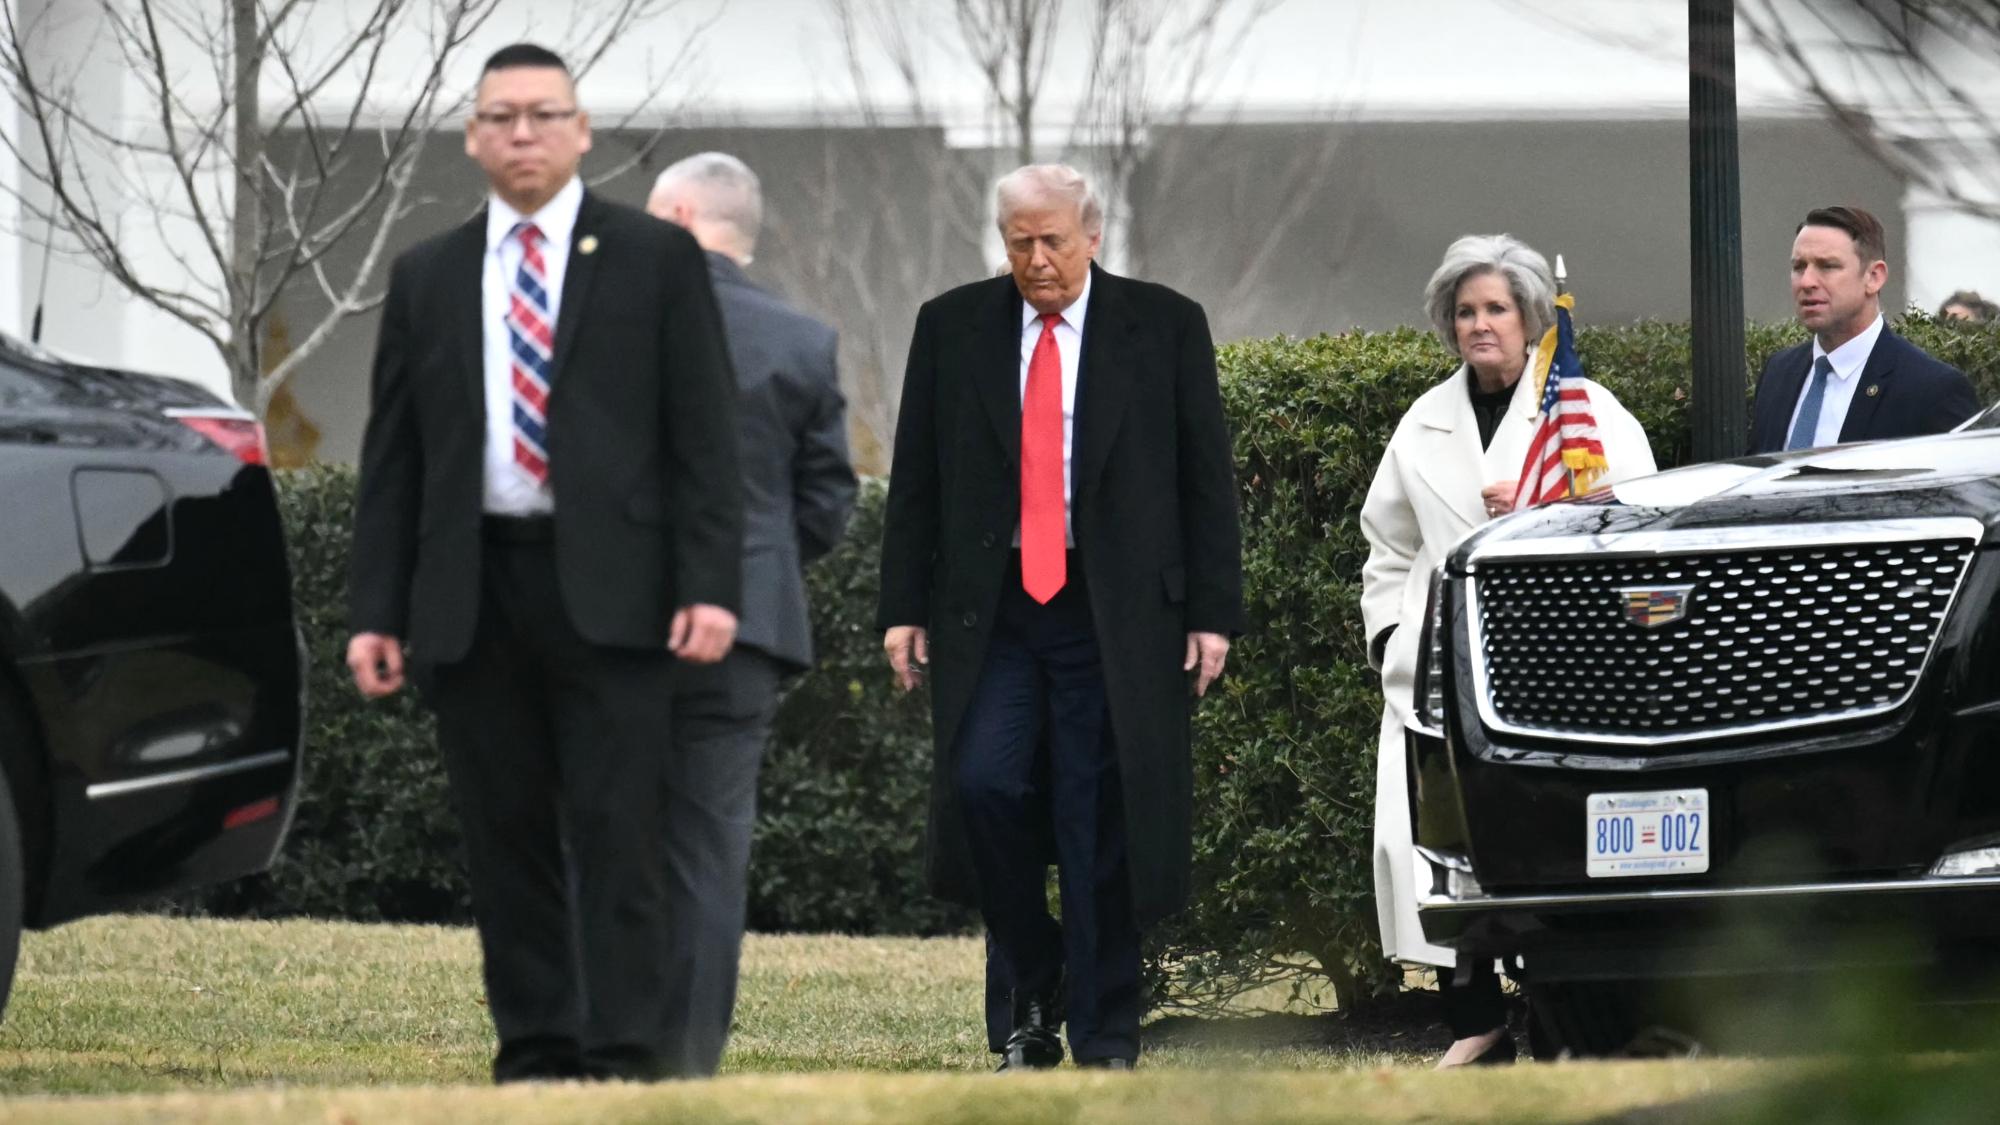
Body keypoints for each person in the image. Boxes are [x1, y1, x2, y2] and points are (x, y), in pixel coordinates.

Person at [346, 43, 744, 1083]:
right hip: (473, 594)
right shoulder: (426, 274)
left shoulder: (654, 262)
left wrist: (709, 586)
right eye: (501, 116)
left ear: (580, 132)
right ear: (473, 136)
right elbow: (393, 460)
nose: (522, 133)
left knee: (621, 835)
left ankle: (623, 1051)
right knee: (505, 838)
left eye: (543, 114)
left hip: (615, 598)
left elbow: (703, 437)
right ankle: (534, 1048)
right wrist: (375, 611)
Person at [877, 164, 1243, 1071]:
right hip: (992, 608)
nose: (1037, 261)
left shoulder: (1163, 325)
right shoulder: (952, 325)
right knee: (982, 785)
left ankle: (1100, 1034)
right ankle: (1038, 967)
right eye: (1019, 243)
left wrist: (1213, 614)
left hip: (1115, 612)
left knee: (1097, 818)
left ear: (1093, 234)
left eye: (1053, 241)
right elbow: (915, 477)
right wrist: (901, 609)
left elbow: (1207, 482)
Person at [1359, 234, 1656, 1068]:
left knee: (1548, 841)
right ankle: (1474, 1022)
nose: (1480, 325)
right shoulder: (1423, 421)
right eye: (1465, 311)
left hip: (1559, 666)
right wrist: (1392, 637)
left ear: (1531, 318)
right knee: (1442, 847)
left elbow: (1638, 528)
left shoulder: (1587, 411)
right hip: (1439, 668)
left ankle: (1567, 1024)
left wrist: (1537, 508)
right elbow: (1386, 546)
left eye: (1496, 308)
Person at [644, 152, 857, 1076]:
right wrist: (758, 571)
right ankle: (687, 1064)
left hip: (617, 622)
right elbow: (828, 501)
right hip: (748, 628)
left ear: (681, 212)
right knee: (708, 846)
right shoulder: (802, 340)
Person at [1749, 207, 1980, 455]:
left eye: (1827, 266)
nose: (1807, 282)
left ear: (1874, 277)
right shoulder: (1779, 371)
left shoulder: (1932, 389)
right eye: (1799, 267)